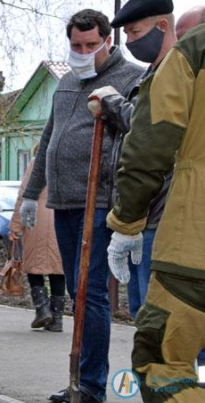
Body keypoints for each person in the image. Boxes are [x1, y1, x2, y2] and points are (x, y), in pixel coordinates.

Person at [19, 9, 144, 403]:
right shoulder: (69, 81)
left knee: (90, 293)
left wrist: (111, 107)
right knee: (77, 289)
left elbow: (138, 131)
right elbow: (49, 139)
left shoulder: (132, 78)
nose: (83, 51)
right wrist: (29, 195)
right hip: (65, 204)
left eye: (91, 45)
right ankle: (83, 380)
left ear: (109, 41)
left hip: (101, 203)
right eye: (76, 45)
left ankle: (90, 385)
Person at [105, 19, 205, 402]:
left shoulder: (191, 52)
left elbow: (149, 144)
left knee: (163, 363)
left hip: (191, 244)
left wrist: (126, 222)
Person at [86, 0, 177, 319]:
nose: (132, 41)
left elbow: (148, 136)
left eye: (136, 31)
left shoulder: (174, 74)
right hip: (145, 215)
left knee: (161, 317)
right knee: (144, 313)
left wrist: (112, 103)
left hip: (162, 215)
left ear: (163, 27)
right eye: (127, 33)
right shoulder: (154, 73)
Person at [9, 145, 65, 332]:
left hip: (35, 219)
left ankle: (42, 309)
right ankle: (57, 319)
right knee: (59, 269)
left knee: (34, 265)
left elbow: (23, 195)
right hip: (61, 219)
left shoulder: (36, 164)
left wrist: (15, 225)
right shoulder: (64, 163)